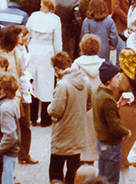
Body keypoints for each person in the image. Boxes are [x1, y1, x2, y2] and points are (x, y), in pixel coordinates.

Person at [48, 52, 88, 184]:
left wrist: (49, 108)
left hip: (62, 135)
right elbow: (89, 103)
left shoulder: (62, 85)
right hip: (78, 135)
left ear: (56, 69)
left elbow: (55, 111)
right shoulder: (84, 81)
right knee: (74, 172)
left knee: (56, 172)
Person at [27, 0, 62, 127]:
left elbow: (27, 33)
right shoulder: (55, 20)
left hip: (33, 49)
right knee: (46, 84)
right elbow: (57, 41)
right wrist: (58, 56)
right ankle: (45, 119)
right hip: (47, 52)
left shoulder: (34, 16)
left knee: (33, 82)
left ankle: (33, 117)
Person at [93, 61, 131, 184]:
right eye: (117, 77)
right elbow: (114, 126)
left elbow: (104, 112)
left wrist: (118, 104)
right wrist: (127, 132)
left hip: (102, 143)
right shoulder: (108, 99)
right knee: (112, 180)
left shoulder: (98, 92)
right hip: (112, 146)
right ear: (109, 80)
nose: (120, 79)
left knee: (102, 177)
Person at [0, 74, 21, 184]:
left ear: (2, 89)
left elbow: (10, 135)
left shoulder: (5, 108)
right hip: (8, 153)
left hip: (6, 154)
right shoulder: (9, 102)